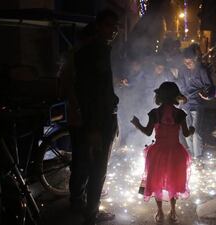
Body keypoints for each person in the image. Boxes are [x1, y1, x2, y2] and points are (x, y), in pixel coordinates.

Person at [69, 9, 120, 225]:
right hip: (96, 120)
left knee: (81, 162)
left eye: (114, 26)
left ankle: (77, 202)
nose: (113, 30)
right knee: (97, 168)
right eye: (109, 25)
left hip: (91, 119)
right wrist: (96, 128)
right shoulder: (96, 53)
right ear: (98, 26)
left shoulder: (88, 51)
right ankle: (91, 213)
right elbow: (94, 93)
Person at [130, 82, 194, 223]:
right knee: (174, 180)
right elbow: (187, 133)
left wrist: (137, 124)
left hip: (157, 153)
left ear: (159, 96)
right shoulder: (180, 114)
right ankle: (173, 211)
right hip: (176, 153)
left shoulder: (155, 113)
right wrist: (193, 130)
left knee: (156, 181)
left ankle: (159, 211)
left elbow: (147, 132)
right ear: (175, 96)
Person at [177, 47, 213, 161]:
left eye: (190, 62)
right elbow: (181, 85)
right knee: (186, 131)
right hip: (185, 104)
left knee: (196, 131)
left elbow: (209, 86)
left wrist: (205, 93)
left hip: (197, 104)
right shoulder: (182, 70)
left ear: (195, 59)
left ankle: (198, 156)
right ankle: (192, 155)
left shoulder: (202, 70)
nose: (187, 64)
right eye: (185, 62)